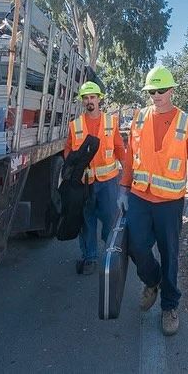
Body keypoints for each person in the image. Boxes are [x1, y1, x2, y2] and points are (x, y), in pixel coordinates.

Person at [117, 66, 188, 336]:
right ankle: (152, 280)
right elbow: (131, 156)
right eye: (151, 91)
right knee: (135, 246)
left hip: (170, 202)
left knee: (170, 255)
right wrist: (123, 188)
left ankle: (169, 307)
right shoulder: (139, 119)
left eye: (160, 90)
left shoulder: (186, 123)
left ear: (172, 90)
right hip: (140, 196)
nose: (155, 96)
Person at [64, 81, 125, 275]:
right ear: (82, 101)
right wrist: (72, 171)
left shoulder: (111, 122)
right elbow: (68, 151)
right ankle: (90, 257)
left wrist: (129, 173)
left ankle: (110, 255)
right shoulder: (75, 126)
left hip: (108, 182)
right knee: (86, 221)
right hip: (85, 183)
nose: (90, 101)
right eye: (86, 98)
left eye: (93, 97)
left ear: (99, 99)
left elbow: (119, 149)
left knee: (110, 220)